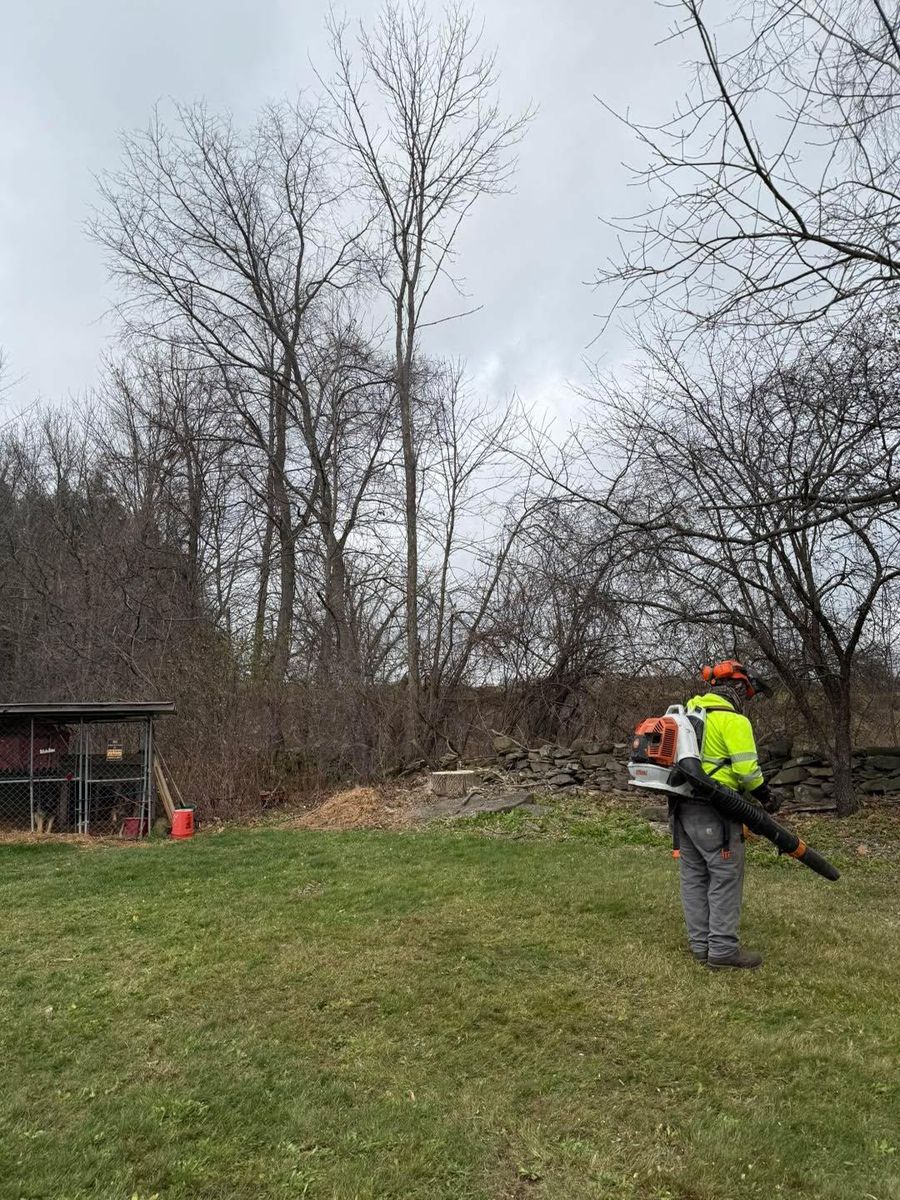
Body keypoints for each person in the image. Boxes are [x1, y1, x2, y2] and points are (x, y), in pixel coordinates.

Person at [675, 660, 778, 970]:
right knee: (724, 876)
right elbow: (747, 772)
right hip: (718, 811)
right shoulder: (733, 721)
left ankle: (700, 944)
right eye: (745, 693)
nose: (745, 700)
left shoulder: (688, 714)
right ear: (736, 688)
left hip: (683, 808)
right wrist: (766, 797)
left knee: (693, 877)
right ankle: (722, 950)